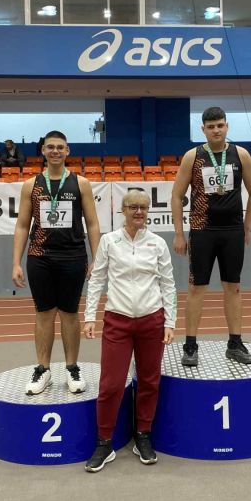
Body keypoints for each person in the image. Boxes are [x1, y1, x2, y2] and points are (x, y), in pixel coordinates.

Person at [82, 189, 177, 472]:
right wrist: (89, 317)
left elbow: (168, 284)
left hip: (151, 321)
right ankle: (104, 442)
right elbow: (97, 280)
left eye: (143, 207)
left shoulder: (158, 243)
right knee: (111, 385)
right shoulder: (109, 241)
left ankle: (143, 435)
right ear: (122, 210)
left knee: (149, 381)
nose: (139, 212)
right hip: (118, 320)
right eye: (133, 207)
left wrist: (170, 322)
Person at [12, 130, 101, 396]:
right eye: (50, 147)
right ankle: (43, 369)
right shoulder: (31, 185)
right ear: (43, 151)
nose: (55, 151)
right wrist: (16, 262)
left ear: (67, 151)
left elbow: (93, 224)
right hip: (40, 256)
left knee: (70, 313)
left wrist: (97, 259)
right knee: (44, 313)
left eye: (60, 147)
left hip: (73, 256)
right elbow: (22, 226)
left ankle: (72, 368)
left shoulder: (81, 183)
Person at [171, 106, 251, 368]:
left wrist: (246, 225)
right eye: (211, 127)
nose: (216, 130)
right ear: (203, 129)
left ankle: (235, 343)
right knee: (196, 288)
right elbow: (176, 196)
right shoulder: (193, 156)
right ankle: (190, 345)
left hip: (232, 231)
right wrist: (179, 233)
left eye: (220, 125)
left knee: (233, 287)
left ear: (227, 126)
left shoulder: (240, 154)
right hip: (202, 230)